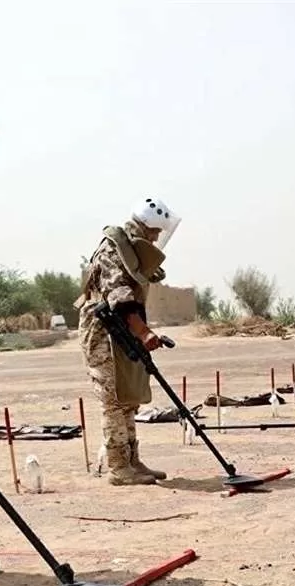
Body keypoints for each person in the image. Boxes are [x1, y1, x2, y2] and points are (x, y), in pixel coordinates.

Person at [75, 198, 182, 485]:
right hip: (103, 333)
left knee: (128, 399)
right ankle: (118, 467)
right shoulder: (113, 247)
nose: (157, 237)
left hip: (121, 332)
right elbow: (119, 296)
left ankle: (133, 461)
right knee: (113, 400)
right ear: (146, 226)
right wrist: (144, 332)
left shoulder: (130, 249)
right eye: (155, 232)